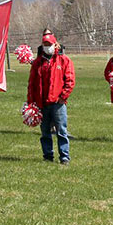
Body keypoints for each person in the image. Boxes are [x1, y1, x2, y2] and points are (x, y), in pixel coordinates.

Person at [27, 34, 75, 164]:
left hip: (57, 103)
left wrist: (63, 97)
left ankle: (64, 156)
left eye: (50, 45)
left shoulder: (64, 60)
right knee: (45, 132)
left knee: (61, 131)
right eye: (45, 45)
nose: (47, 47)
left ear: (55, 45)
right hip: (42, 103)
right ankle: (48, 155)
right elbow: (31, 83)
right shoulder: (37, 63)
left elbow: (70, 81)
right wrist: (31, 102)